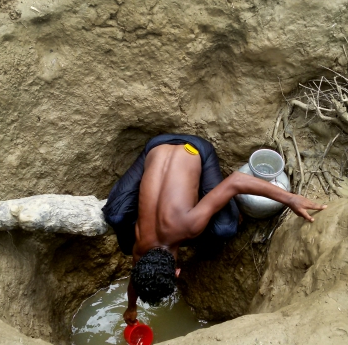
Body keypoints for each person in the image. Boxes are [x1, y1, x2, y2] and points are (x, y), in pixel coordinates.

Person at [102, 134, 326, 325]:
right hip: (156, 146)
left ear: (177, 272)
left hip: (195, 148)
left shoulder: (189, 226)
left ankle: (212, 197)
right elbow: (137, 278)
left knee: (225, 228)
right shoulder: (139, 248)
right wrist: (131, 307)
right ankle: (200, 194)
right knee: (114, 215)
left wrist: (291, 199)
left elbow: (237, 180)